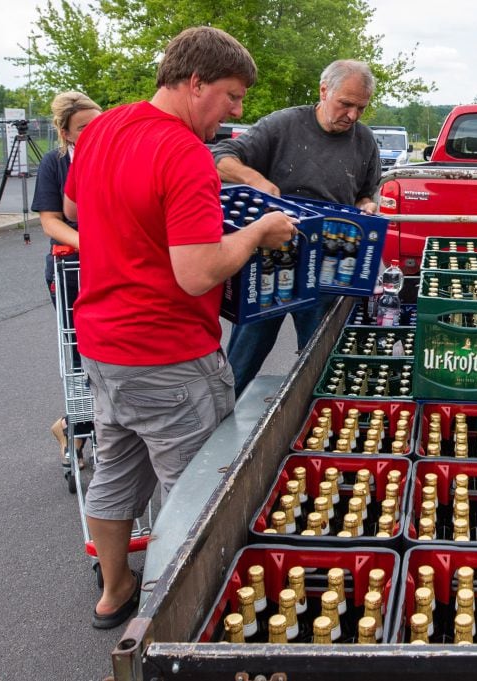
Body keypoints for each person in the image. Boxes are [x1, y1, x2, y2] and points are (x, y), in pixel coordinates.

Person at [64, 26, 298, 629]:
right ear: (195, 83)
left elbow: (72, 210)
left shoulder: (105, 128)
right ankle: (185, 622)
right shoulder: (184, 152)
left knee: (115, 472)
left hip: (103, 344)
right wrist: (255, 233)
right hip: (167, 353)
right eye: (231, 95)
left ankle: (114, 592)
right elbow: (197, 274)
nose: (237, 113)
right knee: (198, 492)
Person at [211, 59, 381, 397]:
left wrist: (366, 206)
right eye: (345, 104)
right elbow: (220, 155)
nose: (353, 115)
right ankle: (217, 430)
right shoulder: (283, 124)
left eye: (360, 108)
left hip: (327, 265)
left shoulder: (364, 141)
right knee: (242, 362)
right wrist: (255, 179)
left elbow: (367, 191)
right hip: (269, 261)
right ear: (323, 90)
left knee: (320, 364)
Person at [31, 91, 101, 466]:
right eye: (84, 128)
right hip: (72, 267)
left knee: (111, 354)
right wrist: (89, 243)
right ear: (66, 132)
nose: (94, 132)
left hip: (111, 267)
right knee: (80, 356)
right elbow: (50, 220)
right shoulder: (55, 163)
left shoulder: (113, 156)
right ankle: (76, 428)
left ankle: (84, 427)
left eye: (98, 124)